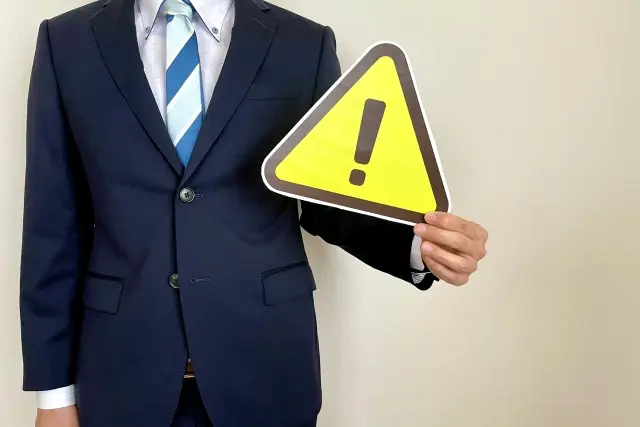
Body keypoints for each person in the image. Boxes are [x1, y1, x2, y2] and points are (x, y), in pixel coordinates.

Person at [19, 0, 488, 426]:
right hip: (121, 374)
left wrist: (419, 247)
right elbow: (52, 226)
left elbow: (328, 203)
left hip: (266, 369)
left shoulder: (304, 43)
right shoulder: (68, 42)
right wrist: (54, 397)